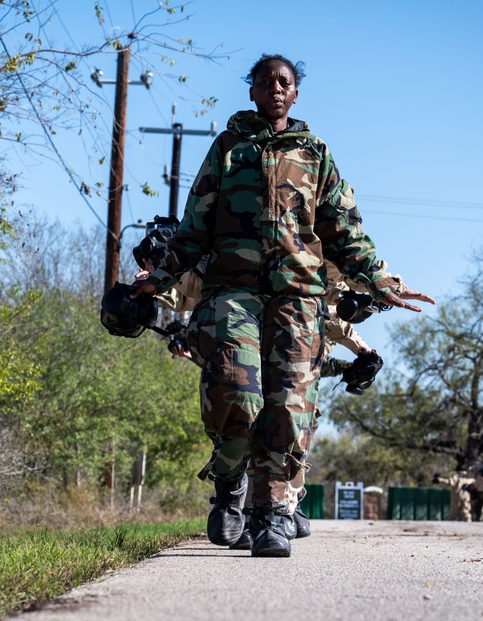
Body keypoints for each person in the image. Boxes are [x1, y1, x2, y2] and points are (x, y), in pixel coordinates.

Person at [132, 54, 434, 557]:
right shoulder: (227, 149)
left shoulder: (316, 154)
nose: (275, 88)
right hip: (233, 292)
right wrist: (158, 279)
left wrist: (379, 280)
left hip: (299, 296)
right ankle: (230, 487)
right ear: (251, 91)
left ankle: (271, 515)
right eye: (265, 81)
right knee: (235, 392)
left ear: (295, 94)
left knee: (289, 405)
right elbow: (193, 229)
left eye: (284, 82)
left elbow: (345, 231)